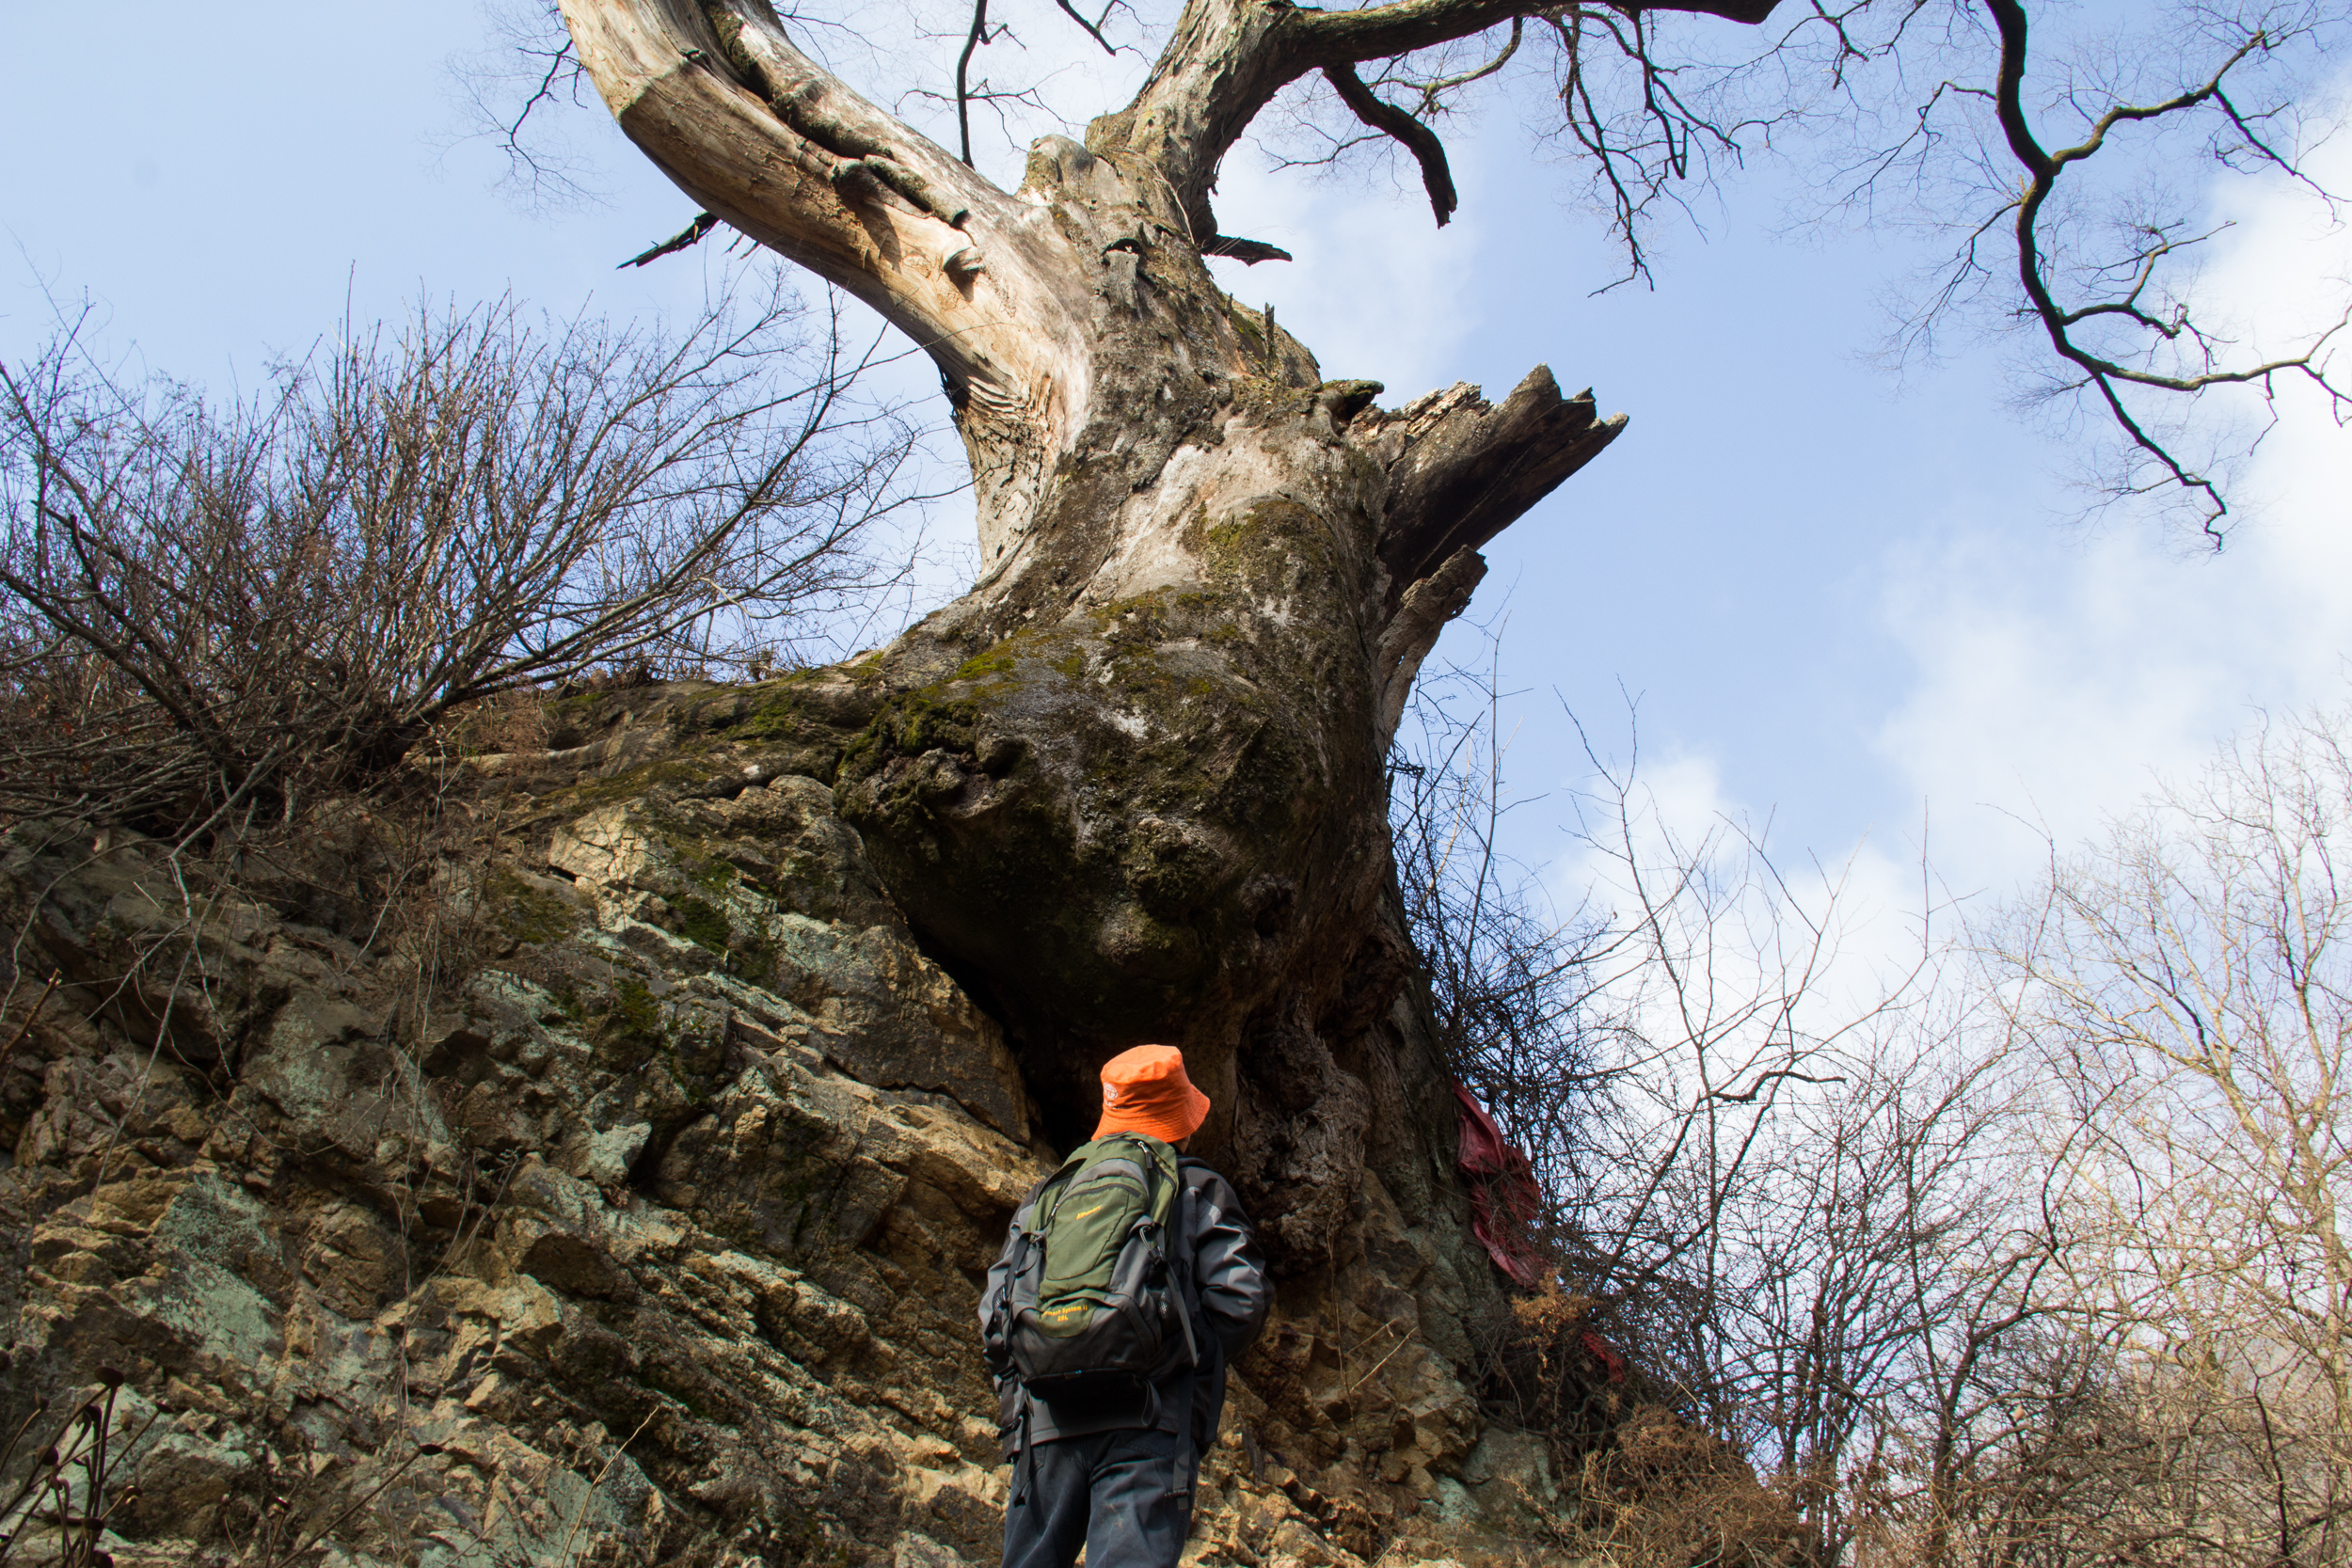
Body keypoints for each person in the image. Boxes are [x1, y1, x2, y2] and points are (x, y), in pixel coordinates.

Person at [979, 1045, 1269, 1568]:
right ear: (1178, 1120)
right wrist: (1171, 1360)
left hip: (1048, 1425)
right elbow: (1241, 1302)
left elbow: (995, 1317)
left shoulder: (1049, 1193)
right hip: (1149, 1419)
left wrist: (1032, 1387)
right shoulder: (1197, 1188)